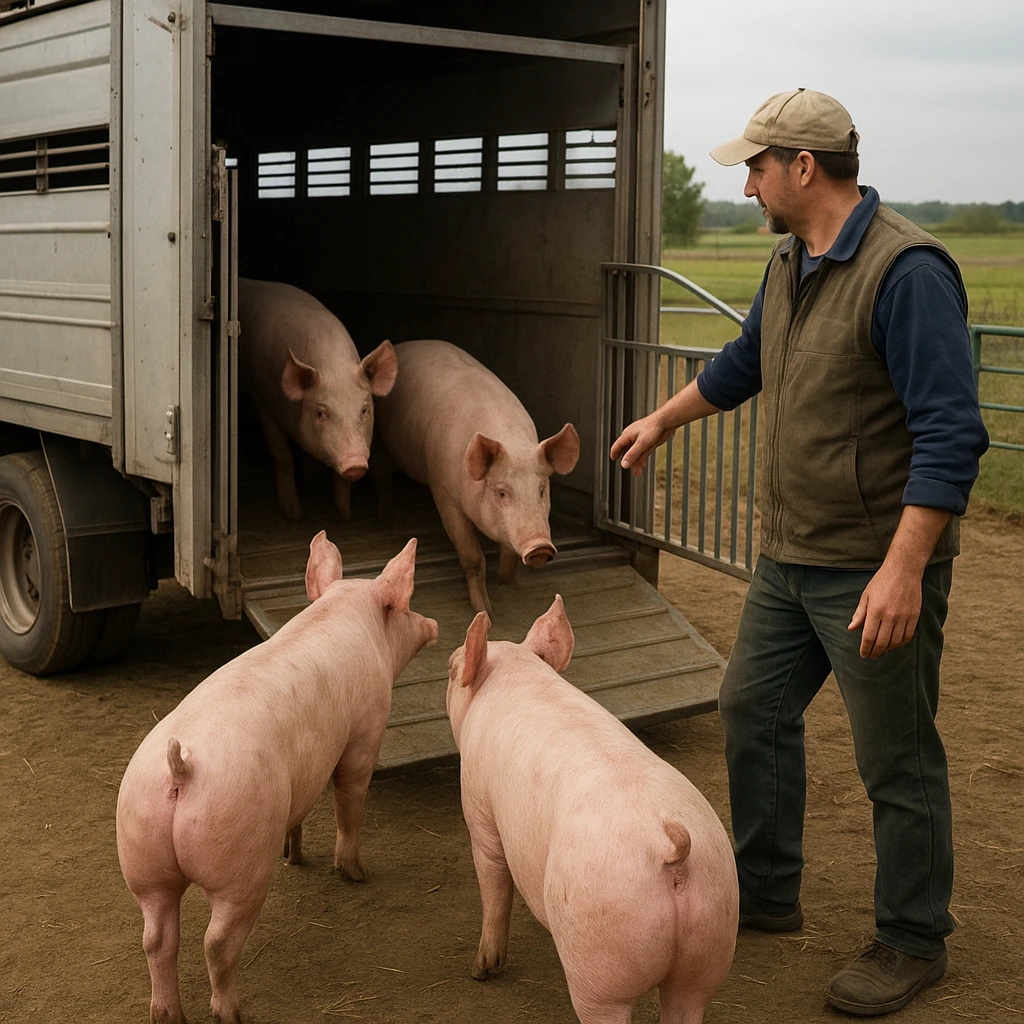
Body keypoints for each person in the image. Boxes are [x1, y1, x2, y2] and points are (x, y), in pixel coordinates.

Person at [610, 88, 989, 1016]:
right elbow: (747, 363)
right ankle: (764, 893)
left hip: (872, 567)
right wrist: (664, 418)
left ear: (803, 168)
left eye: (756, 166)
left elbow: (952, 434)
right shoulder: (791, 260)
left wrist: (904, 569)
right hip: (791, 558)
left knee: (895, 758)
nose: (746, 184)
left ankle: (911, 937)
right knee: (751, 707)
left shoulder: (907, 273)